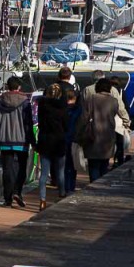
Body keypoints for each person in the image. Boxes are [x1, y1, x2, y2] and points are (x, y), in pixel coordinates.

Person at [0, 76, 35, 208]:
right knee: (21, 167)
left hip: (4, 140)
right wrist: (32, 140)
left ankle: (7, 198)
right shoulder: (26, 103)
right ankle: (17, 191)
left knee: (7, 170)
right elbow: (28, 124)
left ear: (7, 87)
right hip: (21, 140)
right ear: (19, 87)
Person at [78, 78, 119, 182]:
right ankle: (101, 186)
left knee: (93, 165)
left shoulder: (91, 99)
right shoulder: (114, 101)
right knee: (104, 164)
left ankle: (93, 185)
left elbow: (84, 118)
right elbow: (114, 114)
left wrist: (79, 133)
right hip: (108, 135)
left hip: (93, 135)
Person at [36, 84, 68, 211]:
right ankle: (62, 192)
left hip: (45, 140)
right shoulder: (62, 108)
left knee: (44, 173)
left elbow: (40, 122)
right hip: (59, 140)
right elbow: (66, 125)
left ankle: (42, 200)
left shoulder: (42, 106)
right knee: (60, 171)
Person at [55, 66, 81, 194]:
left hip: (57, 132)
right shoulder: (74, 93)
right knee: (71, 163)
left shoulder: (53, 90)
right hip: (71, 136)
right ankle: (69, 186)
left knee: (59, 162)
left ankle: (61, 186)